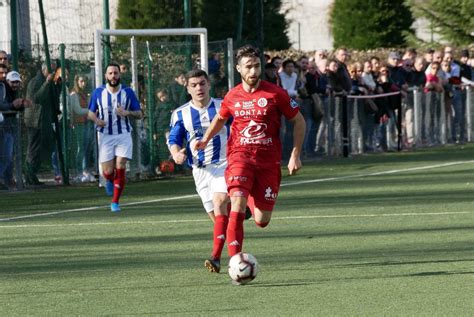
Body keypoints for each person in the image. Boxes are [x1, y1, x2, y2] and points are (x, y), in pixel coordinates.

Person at [195, 45, 305, 263]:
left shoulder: (275, 93)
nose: (253, 71)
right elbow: (220, 118)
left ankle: (250, 201)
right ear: (239, 69)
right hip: (240, 156)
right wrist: (206, 138)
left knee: (262, 220)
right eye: (248, 67)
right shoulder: (232, 95)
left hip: (268, 161)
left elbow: (299, 121)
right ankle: (233, 262)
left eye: (257, 66)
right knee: (236, 201)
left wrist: (295, 154)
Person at [167, 69, 231, 273]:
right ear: (187, 88)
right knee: (219, 220)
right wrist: (176, 154)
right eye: (193, 85)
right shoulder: (180, 113)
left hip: (224, 164)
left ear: (209, 84)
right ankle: (236, 251)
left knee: (220, 203)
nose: (199, 88)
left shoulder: (224, 106)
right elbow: (174, 140)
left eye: (202, 83)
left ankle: (216, 258)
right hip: (200, 170)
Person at [88, 62, 142, 212]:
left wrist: (127, 113)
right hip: (105, 136)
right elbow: (90, 112)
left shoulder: (128, 92)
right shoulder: (98, 92)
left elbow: (139, 113)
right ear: (106, 75)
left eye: (115, 73)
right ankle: (110, 179)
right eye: (110, 73)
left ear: (120, 75)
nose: (113, 76)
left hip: (123, 134)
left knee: (121, 164)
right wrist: (97, 120)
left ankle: (115, 202)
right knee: (107, 171)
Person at [69, 74, 95, 182]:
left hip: (85, 123)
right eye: (81, 81)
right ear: (77, 82)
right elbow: (77, 110)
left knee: (86, 147)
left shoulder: (83, 94)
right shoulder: (74, 94)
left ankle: (85, 171)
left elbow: (88, 106)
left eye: (84, 81)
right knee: (80, 148)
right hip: (78, 124)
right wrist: (90, 112)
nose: (83, 84)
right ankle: (78, 171)